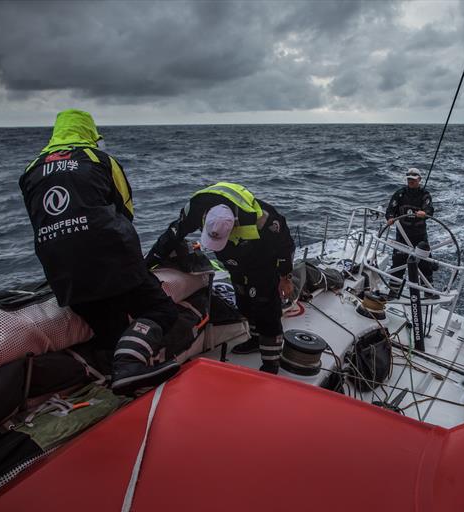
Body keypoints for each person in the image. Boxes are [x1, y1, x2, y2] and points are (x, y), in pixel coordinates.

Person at [19, 109, 179, 396]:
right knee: (161, 309)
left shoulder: (31, 169)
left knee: (110, 329)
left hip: (61, 270)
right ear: (90, 133)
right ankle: (131, 363)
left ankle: (123, 382)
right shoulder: (98, 159)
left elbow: (39, 220)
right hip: (111, 257)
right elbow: (125, 209)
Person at [146, 182, 295, 374]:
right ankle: (256, 339)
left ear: (235, 223)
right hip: (235, 261)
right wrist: (148, 264)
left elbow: (285, 244)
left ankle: (271, 361)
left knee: (265, 304)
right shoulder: (194, 210)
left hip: (262, 257)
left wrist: (285, 276)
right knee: (244, 300)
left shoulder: (264, 219)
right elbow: (171, 236)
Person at [384, 167, 436, 297]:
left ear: (419, 179)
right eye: (409, 179)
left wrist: (425, 213)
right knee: (398, 262)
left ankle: (429, 293)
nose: (411, 181)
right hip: (403, 235)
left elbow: (429, 210)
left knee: (425, 265)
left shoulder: (425, 195)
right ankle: (394, 292)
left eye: (413, 179)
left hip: (420, 236)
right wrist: (390, 218)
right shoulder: (400, 194)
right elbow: (391, 209)